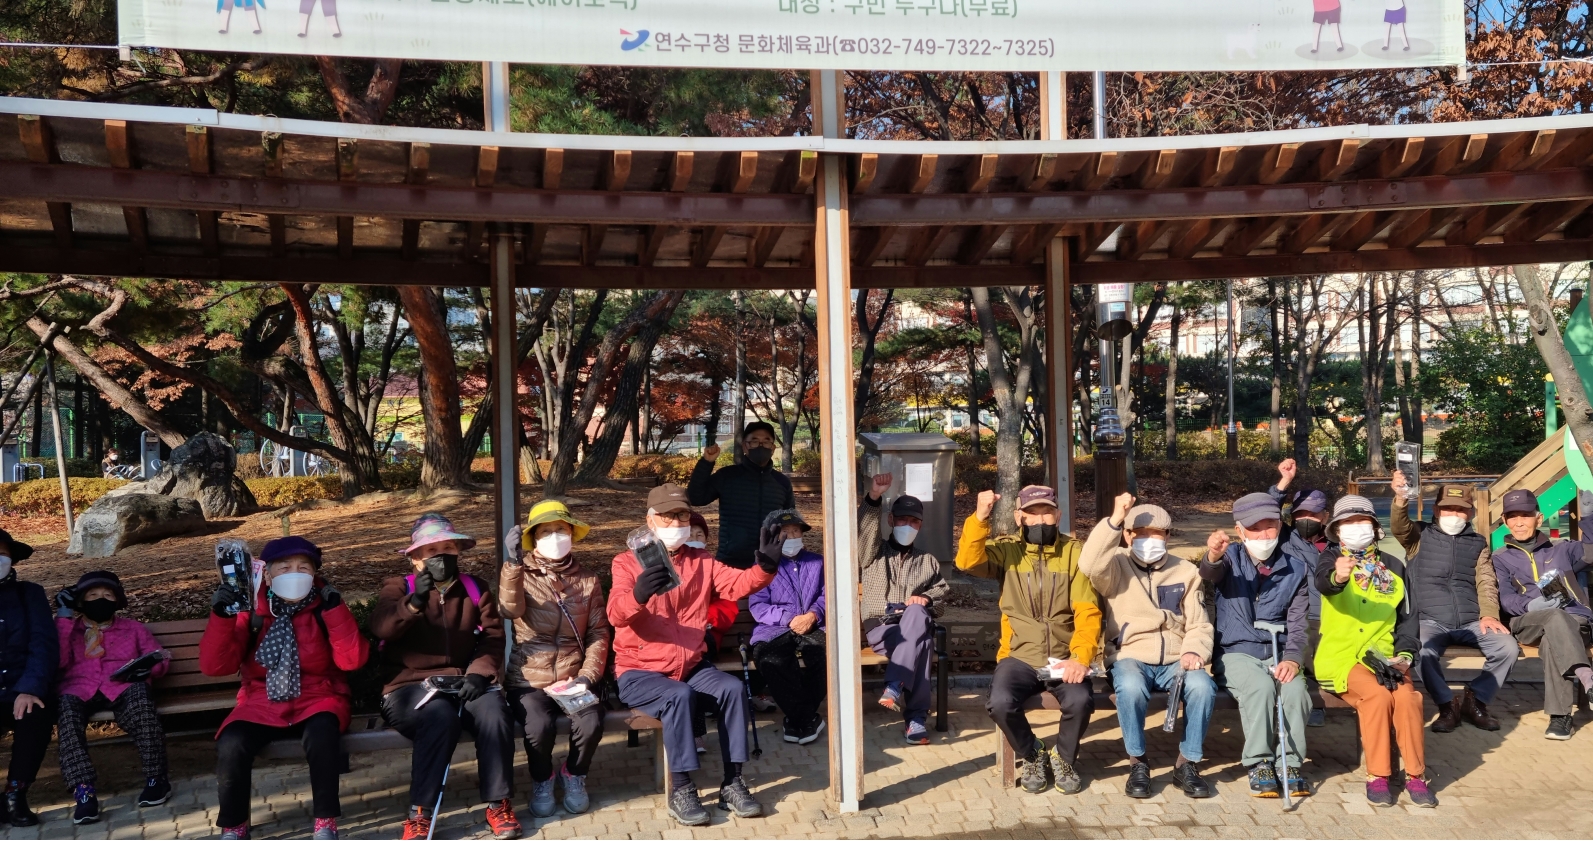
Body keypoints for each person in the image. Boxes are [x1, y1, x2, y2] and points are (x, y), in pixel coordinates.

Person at [609, 483, 777, 827]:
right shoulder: (626, 563)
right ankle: (682, 788)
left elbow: (737, 585)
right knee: (679, 696)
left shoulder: (701, 560)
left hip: (690, 663)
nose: (676, 522)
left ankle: (733, 782)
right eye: (668, 516)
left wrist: (765, 568)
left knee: (731, 690)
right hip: (639, 670)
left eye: (682, 514)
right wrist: (638, 595)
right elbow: (615, 615)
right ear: (650, 520)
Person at [200, 536, 370, 840]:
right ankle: (234, 824)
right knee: (232, 743)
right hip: (260, 700)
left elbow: (352, 661)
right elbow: (216, 666)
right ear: (267, 574)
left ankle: (325, 821)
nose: (295, 573)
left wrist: (336, 611)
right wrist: (222, 617)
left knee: (322, 735)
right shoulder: (251, 610)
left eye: (304, 568)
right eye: (285, 567)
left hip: (318, 696)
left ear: (314, 575)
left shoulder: (324, 606)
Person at [370, 514, 519, 840]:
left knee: (495, 713)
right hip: (409, 686)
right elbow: (381, 628)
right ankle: (420, 812)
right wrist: (413, 604)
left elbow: (493, 638)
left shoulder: (474, 588)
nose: (440, 555)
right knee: (439, 718)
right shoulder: (398, 588)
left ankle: (498, 803)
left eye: (448, 547)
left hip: (465, 680)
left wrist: (480, 673)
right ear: (414, 557)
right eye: (430, 549)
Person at [956, 485, 1100, 795]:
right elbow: (967, 561)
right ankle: (1032, 753)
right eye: (1031, 514)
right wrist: (980, 518)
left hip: (1063, 655)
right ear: (1019, 517)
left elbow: (1088, 611)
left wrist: (1080, 657)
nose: (1040, 520)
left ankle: (1063, 758)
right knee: (999, 703)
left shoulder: (1076, 553)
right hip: (1018, 656)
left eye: (1046, 513)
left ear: (1058, 515)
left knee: (1080, 700)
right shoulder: (1007, 551)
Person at [1079, 493, 1215, 800]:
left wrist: (1195, 650)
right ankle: (1138, 762)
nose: (1148, 540)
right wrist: (1115, 519)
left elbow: (1200, 623)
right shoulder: (1113, 566)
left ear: (1167, 536)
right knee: (1128, 686)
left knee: (1203, 687)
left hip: (1178, 656)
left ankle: (1187, 763)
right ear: (1127, 536)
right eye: (1139, 534)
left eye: (1155, 534)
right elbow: (1088, 564)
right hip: (1130, 653)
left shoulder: (1186, 571)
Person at [1314, 495, 1436, 808]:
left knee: (1408, 697)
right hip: (1342, 657)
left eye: (1362, 520)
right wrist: (1340, 575)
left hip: (1384, 658)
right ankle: (1378, 775)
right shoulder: (1331, 559)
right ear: (1337, 530)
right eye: (1348, 522)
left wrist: (1406, 656)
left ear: (1374, 526)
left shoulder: (1394, 565)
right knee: (1378, 696)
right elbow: (1325, 584)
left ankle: (1416, 775)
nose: (1356, 527)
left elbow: (1409, 619)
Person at [500, 501, 612, 818]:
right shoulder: (520, 573)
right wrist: (512, 564)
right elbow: (509, 610)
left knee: (590, 720)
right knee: (538, 724)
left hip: (573, 676)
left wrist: (587, 676)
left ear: (572, 534)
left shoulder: (587, 580)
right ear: (534, 538)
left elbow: (598, 633)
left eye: (560, 529)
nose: (554, 536)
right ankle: (542, 778)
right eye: (545, 531)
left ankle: (574, 775)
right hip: (529, 679)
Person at [1200, 493, 1311, 800]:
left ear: (1280, 525)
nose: (1264, 535)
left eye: (1271, 527)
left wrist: (1293, 659)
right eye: (1255, 529)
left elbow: (1299, 623)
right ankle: (1260, 761)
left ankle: (1289, 762)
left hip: (1278, 651)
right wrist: (1212, 555)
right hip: (1236, 653)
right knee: (1261, 688)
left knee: (1295, 691)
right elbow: (1209, 572)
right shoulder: (1230, 557)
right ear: (1240, 531)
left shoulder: (1297, 569)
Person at [1390, 472, 1514, 733]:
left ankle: (1476, 699)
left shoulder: (1478, 542)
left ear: (1469, 514)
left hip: (1471, 620)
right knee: (1421, 651)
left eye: (1461, 510)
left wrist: (1489, 614)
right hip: (1428, 619)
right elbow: (1399, 526)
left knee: (1507, 648)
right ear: (1436, 509)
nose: (1454, 515)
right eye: (1448, 509)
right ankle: (1447, 704)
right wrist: (1400, 498)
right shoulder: (1418, 536)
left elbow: (1486, 581)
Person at [54, 570, 172, 825]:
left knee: (141, 701)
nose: (101, 599)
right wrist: (63, 617)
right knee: (66, 711)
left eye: (108, 595)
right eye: (93, 595)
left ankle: (156, 779)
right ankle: (83, 791)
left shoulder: (134, 629)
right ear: (81, 601)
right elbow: (58, 662)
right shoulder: (68, 629)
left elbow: (159, 658)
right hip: (79, 688)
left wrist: (149, 668)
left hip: (122, 686)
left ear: (117, 600)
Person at [1490, 488, 1593, 741]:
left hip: (1574, 619)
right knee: (1553, 617)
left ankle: (1560, 718)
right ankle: (1587, 677)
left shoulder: (1562, 549)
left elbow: (1590, 553)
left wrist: (1589, 516)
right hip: (1529, 621)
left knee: (1552, 639)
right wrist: (1531, 605)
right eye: (1512, 516)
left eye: (1525, 515)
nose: (1518, 522)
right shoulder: (1501, 558)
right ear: (1504, 521)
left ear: (1539, 517)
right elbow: (1505, 599)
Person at [859, 473, 951, 745]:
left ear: (920, 525)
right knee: (922, 645)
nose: (907, 525)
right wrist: (873, 497)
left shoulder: (928, 561)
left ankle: (895, 684)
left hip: (912, 627)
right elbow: (864, 536)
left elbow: (942, 594)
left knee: (917, 618)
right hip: (883, 629)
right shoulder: (874, 553)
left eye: (913, 521)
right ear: (891, 520)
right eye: (901, 519)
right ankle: (916, 719)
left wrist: (926, 599)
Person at [748, 508, 827, 745]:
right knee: (769, 658)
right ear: (773, 537)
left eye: (795, 532)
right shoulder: (763, 567)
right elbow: (758, 605)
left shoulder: (817, 562)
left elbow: (827, 594)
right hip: (776, 628)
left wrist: (814, 614)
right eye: (785, 533)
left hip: (814, 625)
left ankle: (796, 720)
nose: (792, 537)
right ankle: (805, 718)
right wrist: (788, 619)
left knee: (827, 655)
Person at [1269, 460, 1332, 727]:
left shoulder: (1338, 544)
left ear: (1325, 517)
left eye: (1314, 514)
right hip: (1294, 614)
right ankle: (1307, 699)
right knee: (1301, 645)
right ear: (1292, 516)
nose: (1307, 519)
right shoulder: (1284, 539)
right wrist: (1283, 482)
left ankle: (1318, 699)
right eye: (1301, 514)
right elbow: (1268, 509)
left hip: (1331, 614)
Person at [0, 529, 54, 828]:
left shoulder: (29, 594)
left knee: (36, 714)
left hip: (22, 687)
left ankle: (15, 794)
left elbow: (42, 643)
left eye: (2, 554)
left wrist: (30, 688)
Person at [687, 421, 795, 569]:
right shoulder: (727, 476)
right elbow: (696, 497)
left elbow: (790, 520)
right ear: (745, 446)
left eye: (766, 441)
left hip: (772, 561)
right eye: (755, 441)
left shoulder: (782, 482)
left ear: (773, 448)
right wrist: (706, 463)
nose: (761, 445)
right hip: (731, 561)